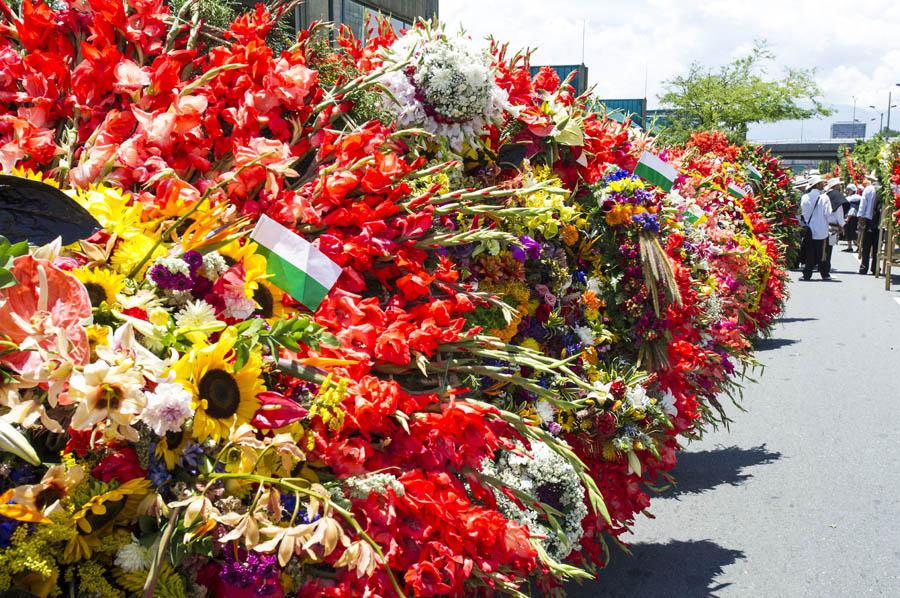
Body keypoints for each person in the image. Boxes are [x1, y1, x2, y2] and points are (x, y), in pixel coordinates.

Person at [800, 174, 832, 280]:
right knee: (823, 253)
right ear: (817, 185)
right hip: (822, 229)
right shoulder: (824, 197)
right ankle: (824, 273)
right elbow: (828, 214)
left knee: (810, 253)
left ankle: (807, 274)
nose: (823, 184)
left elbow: (804, 213)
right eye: (821, 183)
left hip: (810, 229)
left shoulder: (804, 197)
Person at [858, 173, 880, 275]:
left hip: (869, 219)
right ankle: (875, 268)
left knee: (866, 245)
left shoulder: (868, 189)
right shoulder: (881, 189)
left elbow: (863, 204)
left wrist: (861, 218)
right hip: (880, 220)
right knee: (877, 245)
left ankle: (864, 267)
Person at [823, 178, 846, 273]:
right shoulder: (838, 197)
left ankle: (821, 267)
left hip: (823, 225)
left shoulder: (824, 195)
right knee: (829, 249)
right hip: (833, 227)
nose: (840, 187)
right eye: (839, 185)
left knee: (822, 247)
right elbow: (839, 214)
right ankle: (826, 269)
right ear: (835, 186)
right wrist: (842, 225)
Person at [843, 183, 862, 252]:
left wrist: (848, 218)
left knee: (853, 233)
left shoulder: (854, 198)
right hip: (852, 217)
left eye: (849, 190)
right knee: (849, 232)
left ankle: (859, 247)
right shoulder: (854, 197)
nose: (848, 191)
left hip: (852, 217)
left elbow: (852, 209)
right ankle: (850, 247)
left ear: (853, 190)